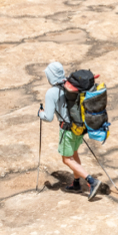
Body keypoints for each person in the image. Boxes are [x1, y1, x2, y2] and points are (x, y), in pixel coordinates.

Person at [38, 62, 102, 199]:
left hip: (67, 130)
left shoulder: (52, 92)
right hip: (78, 127)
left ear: (50, 76)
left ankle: (92, 181)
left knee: (67, 159)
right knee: (74, 154)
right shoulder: (71, 85)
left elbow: (48, 117)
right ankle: (76, 184)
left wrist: (40, 113)